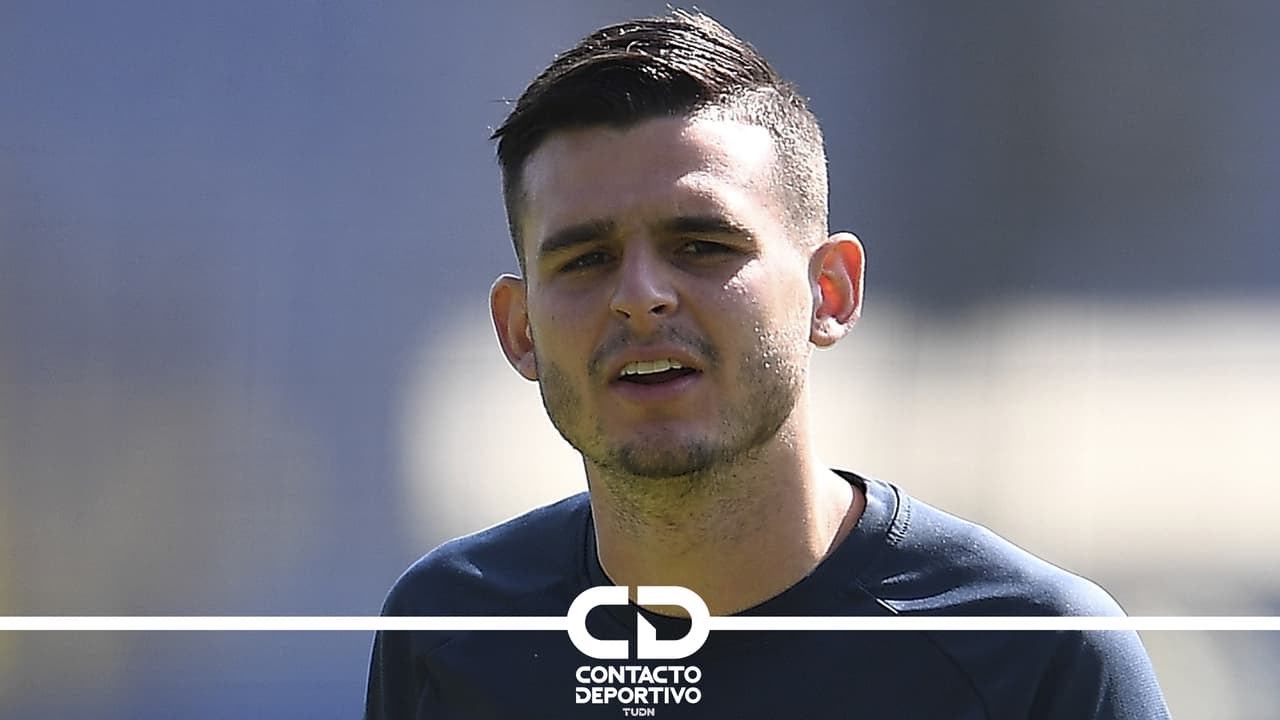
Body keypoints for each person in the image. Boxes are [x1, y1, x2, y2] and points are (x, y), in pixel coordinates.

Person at [365, 10, 1169, 719]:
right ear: (520, 330)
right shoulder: (448, 631)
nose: (640, 297)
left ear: (830, 292)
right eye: (585, 259)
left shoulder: (1036, 654)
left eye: (702, 245)